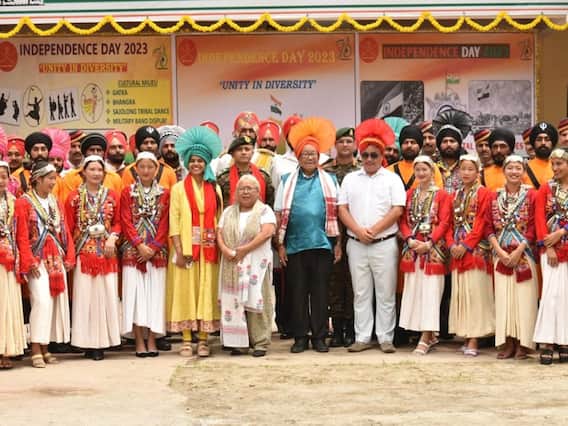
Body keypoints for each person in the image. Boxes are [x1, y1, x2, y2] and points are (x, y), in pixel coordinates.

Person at [338, 118, 404, 353]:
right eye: (364, 155)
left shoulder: (392, 179)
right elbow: (342, 209)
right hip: (356, 243)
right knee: (361, 292)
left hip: (384, 243)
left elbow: (397, 209)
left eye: (373, 155)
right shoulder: (350, 179)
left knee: (385, 293)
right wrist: (358, 231)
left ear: (382, 156)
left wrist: (374, 230)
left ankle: (385, 337)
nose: (368, 159)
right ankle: (362, 337)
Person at [275, 117, 341, 354]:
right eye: (305, 154)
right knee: (298, 293)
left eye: (313, 154)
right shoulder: (287, 181)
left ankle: (320, 336)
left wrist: (338, 244)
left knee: (320, 293)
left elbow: (338, 214)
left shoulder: (330, 180)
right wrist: (280, 245)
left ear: (319, 156)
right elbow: (279, 213)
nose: (310, 158)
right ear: (298, 157)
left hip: (322, 244)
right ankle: (300, 337)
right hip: (294, 245)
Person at [167, 126, 223, 357]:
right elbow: (174, 220)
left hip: (209, 249)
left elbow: (219, 220)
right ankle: (186, 339)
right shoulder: (178, 189)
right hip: (186, 248)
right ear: (187, 163)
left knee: (206, 291)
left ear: (206, 163)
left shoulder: (215, 188)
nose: (196, 164)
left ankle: (203, 340)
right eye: (192, 161)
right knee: (186, 291)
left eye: (200, 161)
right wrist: (179, 250)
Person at [16, 160, 75, 367]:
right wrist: (28, 260)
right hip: (36, 259)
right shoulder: (24, 202)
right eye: (50, 178)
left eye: (54, 178)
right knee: (41, 301)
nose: (53, 182)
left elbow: (64, 230)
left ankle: (45, 347)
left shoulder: (54, 201)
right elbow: (21, 234)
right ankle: (35, 348)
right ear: (38, 179)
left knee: (52, 303)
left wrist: (70, 255)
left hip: (55, 258)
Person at [65, 155, 121, 361]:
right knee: (85, 298)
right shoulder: (73, 197)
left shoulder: (111, 195)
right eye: (92, 169)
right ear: (83, 172)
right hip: (84, 255)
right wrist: (70, 255)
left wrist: (112, 238)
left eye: (99, 170)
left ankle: (103, 343)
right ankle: (86, 342)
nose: (96, 173)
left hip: (107, 253)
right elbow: (68, 227)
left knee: (106, 296)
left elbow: (118, 222)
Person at [217, 175, 276, 357]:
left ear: (258, 192)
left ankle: (260, 342)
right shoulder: (228, 212)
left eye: (250, 188)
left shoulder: (265, 210)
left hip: (257, 266)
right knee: (234, 303)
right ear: (236, 192)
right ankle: (239, 343)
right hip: (232, 263)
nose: (245, 192)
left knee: (258, 300)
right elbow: (219, 232)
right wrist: (225, 249)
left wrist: (245, 250)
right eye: (242, 188)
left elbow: (267, 232)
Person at [486, 155, 538, 360]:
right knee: (504, 299)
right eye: (510, 168)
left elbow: (533, 226)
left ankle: (523, 343)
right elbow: (488, 226)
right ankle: (508, 342)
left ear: (523, 171)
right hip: (501, 255)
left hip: (524, 254)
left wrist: (519, 251)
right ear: (504, 171)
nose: (514, 172)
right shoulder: (494, 196)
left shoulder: (531, 195)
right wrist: (499, 251)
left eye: (518, 168)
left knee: (524, 299)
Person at [398, 155, 451, 355]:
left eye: (425, 169)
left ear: (432, 172)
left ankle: (427, 336)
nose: (421, 173)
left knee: (431, 292)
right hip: (413, 250)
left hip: (433, 251)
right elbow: (403, 221)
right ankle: (426, 334)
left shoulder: (442, 195)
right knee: (415, 292)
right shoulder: (409, 194)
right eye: (418, 169)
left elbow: (445, 222)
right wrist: (409, 239)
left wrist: (430, 242)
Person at [120, 152, 169, 358]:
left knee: (155, 296)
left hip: (157, 253)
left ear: (156, 170)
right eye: (142, 167)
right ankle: (139, 339)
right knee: (135, 296)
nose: (146, 170)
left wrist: (154, 247)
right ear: (136, 169)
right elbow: (125, 220)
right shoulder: (127, 192)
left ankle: (152, 339)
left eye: (150, 167)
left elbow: (166, 222)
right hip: (133, 252)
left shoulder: (165, 193)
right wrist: (139, 245)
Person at [448, 155, 494, 357]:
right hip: (457, 251)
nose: (465, 173)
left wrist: (466, 245)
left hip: (476, 251)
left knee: (476, 294)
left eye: (470, 169)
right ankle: (466, 335)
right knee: (462, 294)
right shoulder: (455, 195)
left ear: (478, 172)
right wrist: (451, 245)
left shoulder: (484, 193)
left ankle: (475, 337)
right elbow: (449, 223)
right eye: (463, 169)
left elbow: (482, 223)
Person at [322, 127, 359, 347]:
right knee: (334, 282)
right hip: (332, 232)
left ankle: (352, 329)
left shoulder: (362, 169)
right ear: (335, 145)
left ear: (355, 145)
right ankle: (336, 330)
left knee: (354, 282)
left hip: (356, 230)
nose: (345, 145)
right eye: (341, 141)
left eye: (349, 141)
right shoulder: (325, 170)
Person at [534, 147, 568, 364]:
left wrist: (562, 232)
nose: (555, 168)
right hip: (551, 250)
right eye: (553, 164)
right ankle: (547, 341)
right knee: (550, 295)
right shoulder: (546, 188)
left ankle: (564, 341)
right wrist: (549, 247)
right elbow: (538, 219)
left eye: (559, 164)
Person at [0, 161, 26, 370]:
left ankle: (5, 349)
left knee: (7, 302)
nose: (0, 181)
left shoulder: (14, 202)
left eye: (3, 177)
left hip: (9, 259)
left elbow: (21, 235)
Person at [56, 133, 123, 205]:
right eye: (91, 150)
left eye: (99, 150)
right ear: (85, 153)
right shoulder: (71, 177)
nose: (95, 153)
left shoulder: (115, 178)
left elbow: (118, 204)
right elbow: (67, 203)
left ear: (103, 153)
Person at [217, 135, 274, 208]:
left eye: (247, 149)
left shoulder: (263, 176)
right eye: (239, 149)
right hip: (231, 214)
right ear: (232, 154)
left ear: (252, 153)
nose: (243, 152)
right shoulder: (222, 178)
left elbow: (269, 203)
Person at [387, 124, 444, 190]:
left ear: (420, 146)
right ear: (401, 146)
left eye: (413, 142)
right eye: (406, 142)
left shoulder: (431, 168)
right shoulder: (389, 171)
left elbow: (438, 194)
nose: (409, 145)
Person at [122, 126, 177, 190]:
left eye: (152, 142)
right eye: (145, 143)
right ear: (138, 146)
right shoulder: (129, 171)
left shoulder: (168, 171)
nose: (149, 146)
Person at [525, 122, 558, 189]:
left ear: (552, 143)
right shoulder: (524, 169)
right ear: (533, 143)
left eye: (547, 139)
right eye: (539, 139)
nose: (543, 143)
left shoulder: (561, 167)